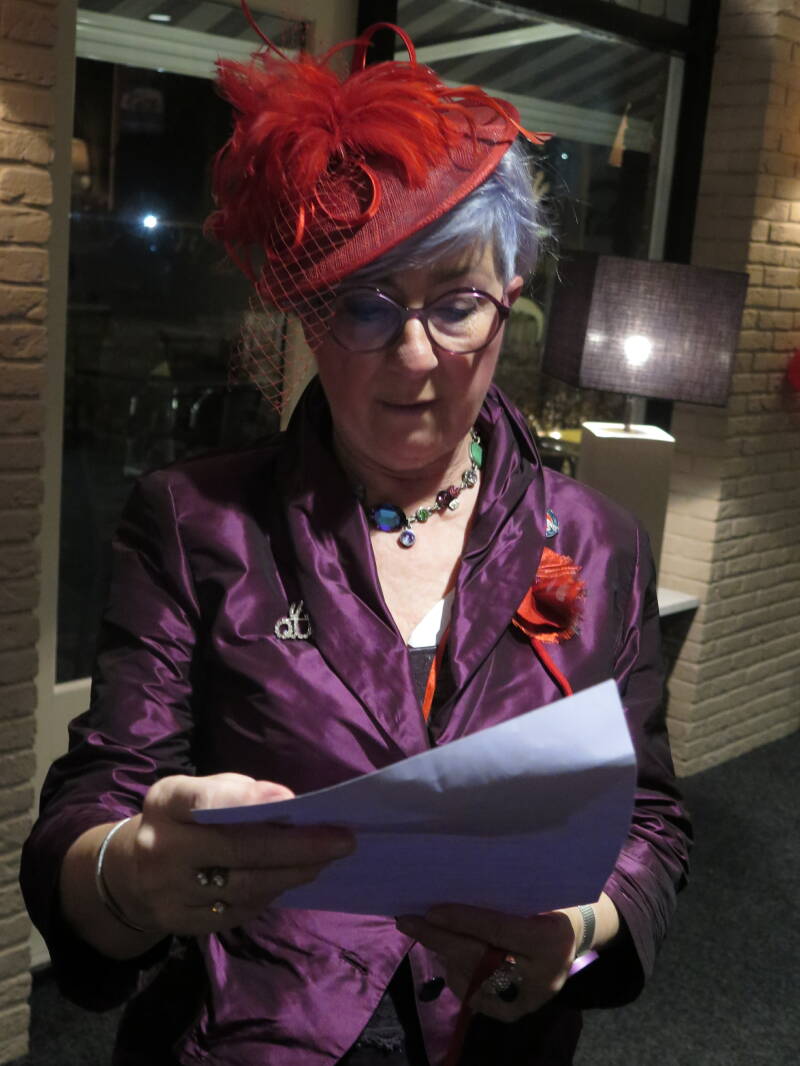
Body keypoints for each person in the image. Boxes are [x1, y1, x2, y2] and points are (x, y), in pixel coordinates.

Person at [21, 16, 691, 1066]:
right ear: (307, 318)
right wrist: (131, 873)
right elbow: (94, 801)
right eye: (366, 309)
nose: (415, 355)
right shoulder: (195, 523)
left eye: (457, 304)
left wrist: (579, 927)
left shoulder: (597, 542)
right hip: (253, 1034)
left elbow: (646, 816)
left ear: (510, 306)